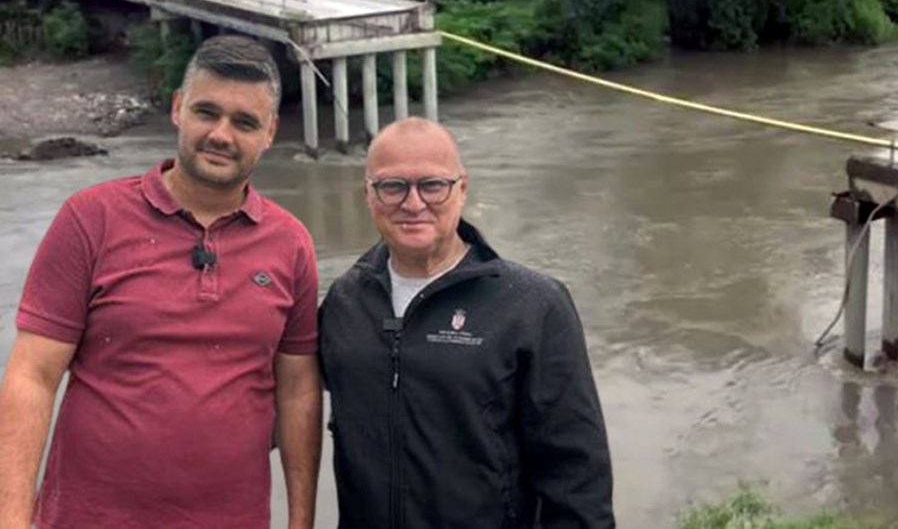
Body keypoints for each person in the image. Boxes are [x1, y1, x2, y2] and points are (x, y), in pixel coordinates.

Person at [0, 35, 322, 529]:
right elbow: (31, 377)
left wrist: (301, 522)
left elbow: (298, 391)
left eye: (244, 122)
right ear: (177, 108)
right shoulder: (91, 219)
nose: (221, 134)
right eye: (206, 112)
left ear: (271, 132)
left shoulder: (291, 244)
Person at [319, 117, 614, 528]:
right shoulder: (344, 302)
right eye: (393, 186)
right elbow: (282, 399)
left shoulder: (534, 305)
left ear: (462, 189)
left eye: (433, 185)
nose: (413, 202)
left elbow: (578, 476)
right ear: (368, 195)